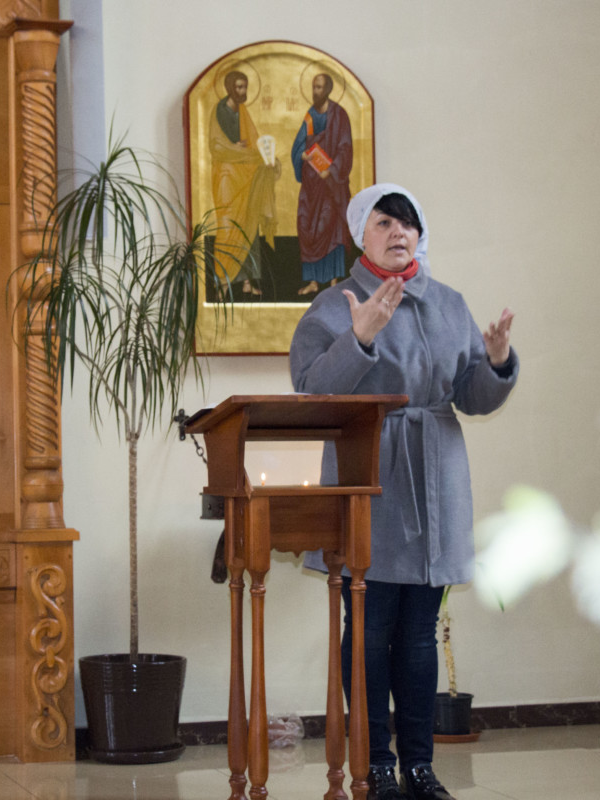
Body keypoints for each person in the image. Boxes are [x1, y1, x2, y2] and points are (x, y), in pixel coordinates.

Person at [289, 184, 517, 800]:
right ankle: (374, 767)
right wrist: (358, 338)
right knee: (368, 628)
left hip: (436, 476)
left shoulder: (447, 303)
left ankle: (419, 767)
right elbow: (312, 391)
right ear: (360, 235)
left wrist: (496, 362)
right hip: (367, 474)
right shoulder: (334, 305)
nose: (399, 233)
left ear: (420, 235)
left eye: (408, 224)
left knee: (419, 632)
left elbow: (471, 397)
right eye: (385, 223)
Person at [208, 70, 279, 298]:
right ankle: (222, 283)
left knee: (249, 228)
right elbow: (215, 146)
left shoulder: (243, 112)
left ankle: (248, 281)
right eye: (238, 87)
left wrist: (267, 159)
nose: (242, 91)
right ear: (230, 88)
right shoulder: (219, 112)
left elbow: (254, 143)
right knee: (228, 228)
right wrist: (235, 149)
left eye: (245, 87)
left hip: (246, 177)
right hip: (227, 177)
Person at [291, 72, 353, 296]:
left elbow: (345, 148)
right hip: (311, 185)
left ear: (327, 90)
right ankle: (313, 282)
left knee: (330, 225)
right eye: (313, 87)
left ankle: (334, 281)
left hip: (331, 185)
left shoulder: (339, 115)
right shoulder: (310, 116)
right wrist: (303, 155)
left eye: (319, 87)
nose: (315, 92)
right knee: (307, 225)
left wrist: (332, 170)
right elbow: (298, 145)